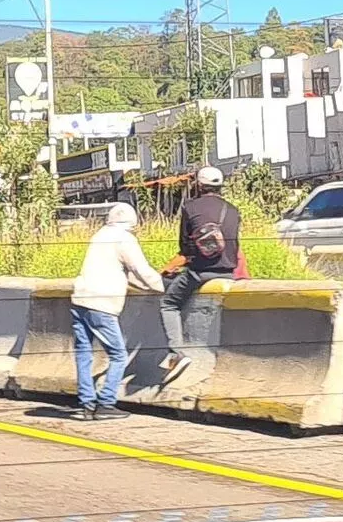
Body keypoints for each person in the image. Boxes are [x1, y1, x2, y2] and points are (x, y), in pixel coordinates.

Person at [69, 203, 164, 421]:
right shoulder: (124, 238)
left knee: (84, 353)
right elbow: (139, 269)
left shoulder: (99, 235)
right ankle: (106, 403)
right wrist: (161, 284)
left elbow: (116, 270)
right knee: (119, 355)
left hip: (80, 299)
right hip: (102, 303)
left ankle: (86, 404)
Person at [158, 166, 241, 384]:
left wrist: (172, 267)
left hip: (200, 272)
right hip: (228, 272)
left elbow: (185, 248)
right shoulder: (233, 210)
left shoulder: (190, 207)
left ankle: (177, 353)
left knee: (169, 303)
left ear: (199, 185)